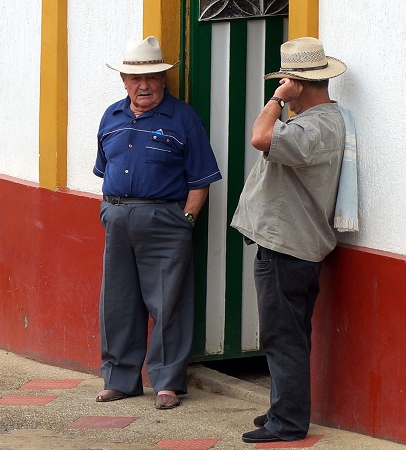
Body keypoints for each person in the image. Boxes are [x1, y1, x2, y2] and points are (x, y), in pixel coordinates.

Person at [93, 36, 222, 410]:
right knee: (117, 303)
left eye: (151, 77)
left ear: (164, 79)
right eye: (135, 78)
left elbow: (202, 179)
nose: (143, 85)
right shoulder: (111, 116)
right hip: (117, 217)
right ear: (124, 81)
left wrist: (185, 220)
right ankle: (120, 380)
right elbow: (103, 168)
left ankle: (167, 383)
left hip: (166, 219)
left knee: (169, 304)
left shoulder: (184, 119)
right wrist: (110, 210)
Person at [230, 37, 348, 443]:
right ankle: (284, 409)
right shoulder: (323, 122)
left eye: (287, 80)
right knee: (290, 334)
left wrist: (277, 98)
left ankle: (289, 423)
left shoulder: (314, 125)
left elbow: (260, 136)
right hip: (295, 247)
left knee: (284, 337)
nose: (283, 87)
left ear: (297, 83)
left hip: (287, 248)